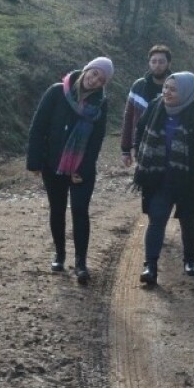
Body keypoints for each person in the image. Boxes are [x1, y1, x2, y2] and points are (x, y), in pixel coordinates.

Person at [27, 56, 113, 285]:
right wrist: (34, 162)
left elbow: (96, 141)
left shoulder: (101, 105)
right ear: (86, 70)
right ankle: (59, 255)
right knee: (57, 209)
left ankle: (81, 263)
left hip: (81, 168)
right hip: (53, 163)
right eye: (94, 73)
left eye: (101, 80)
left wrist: (82, 169)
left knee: (80, 211)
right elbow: (38, 127)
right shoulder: (56, 92)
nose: (95, 80)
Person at [132, 72, 194, 285]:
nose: (167, 92)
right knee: (157, 218)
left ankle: (189, 258)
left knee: (189, 221)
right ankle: (150, 266)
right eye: (166, 88)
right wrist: (137, 151)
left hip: (188, 180)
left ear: (187, 92)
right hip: (159, 177)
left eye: (173, 89)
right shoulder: (155, 107)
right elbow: (141, 129)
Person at [121, 44, 171, 166]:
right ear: (149, 63)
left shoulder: (176, 87)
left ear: (169, 63)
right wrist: (126, 150)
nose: (157, 65)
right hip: (141, 145)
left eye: (161, 62)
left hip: (169, 147)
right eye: (153, 61)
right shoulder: (138, 86)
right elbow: (128, 118)